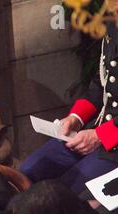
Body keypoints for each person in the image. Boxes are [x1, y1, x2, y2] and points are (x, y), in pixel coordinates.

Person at [19, 14, 118, 195]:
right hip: (97, 127)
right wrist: (76, 118)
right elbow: (101, 81)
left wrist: (100, 136)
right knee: (28, 171)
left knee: (63, 193)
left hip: (112, 143)